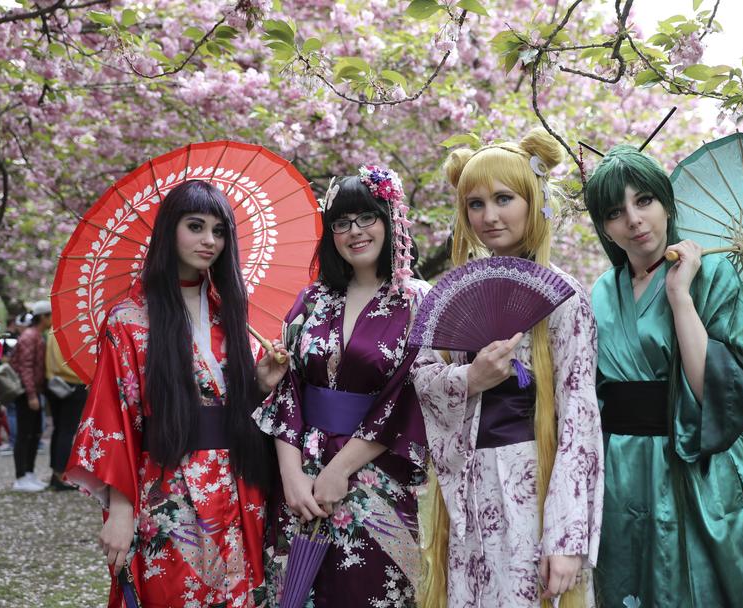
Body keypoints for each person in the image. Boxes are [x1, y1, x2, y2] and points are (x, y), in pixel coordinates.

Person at [65, 180, 287, 607]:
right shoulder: (129, 319)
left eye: (219, 231)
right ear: (169, 230)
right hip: (168, 485)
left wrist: (260, 384)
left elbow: (249, 412)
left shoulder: (234, 312)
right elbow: (116, 418)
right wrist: (122, 510)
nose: (209, 241)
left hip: (240, 484)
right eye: (196, 226)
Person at [412, 129, 604, 607]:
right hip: (469, 484)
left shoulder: (564, 297)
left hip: (532, 483)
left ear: (533, 199)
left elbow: (579, 420)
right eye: (475, 204)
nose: (489, 216)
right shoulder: (457, 291)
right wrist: (471, 379)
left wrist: (566, 538)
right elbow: (422, 378)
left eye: (503, 198)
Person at [583, 145, 743, 607]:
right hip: (621, 468)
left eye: (644, 200)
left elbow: (725, 393)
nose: (634, 219)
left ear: (667, 203)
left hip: (693, 462)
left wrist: (680, 295)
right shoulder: (601, 292)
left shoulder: (715, 274)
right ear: (604, 226)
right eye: (615, 211)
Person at [253, 165, 430, 607]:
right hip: (302, 476)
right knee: (295, 592)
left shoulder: (417, 302)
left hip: (375, 475)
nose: (355, 231)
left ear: (391, 220)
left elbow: (408, 398)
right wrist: (292, 478)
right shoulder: (311, 299)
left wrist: (339, 470)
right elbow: (288, 389)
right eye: (342, 222)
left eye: (367, 217)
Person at [9, 300, 52, 491]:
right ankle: (20, 477)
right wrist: (32, 395)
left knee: (34, 434)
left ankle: (29, 473)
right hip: (26, 394)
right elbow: (25, 368)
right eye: (51, 315)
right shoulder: (29, 336)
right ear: (43, 317)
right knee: (24, 435)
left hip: (34, 392)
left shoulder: (36, 335)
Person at [45, 330, 87, 490]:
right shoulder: (70, 330)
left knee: (59, 430)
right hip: (72, 384)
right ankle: (61, 475)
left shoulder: (53, 329)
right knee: (67, 431)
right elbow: (70, 361)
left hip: (54, 384)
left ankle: (55, 474)